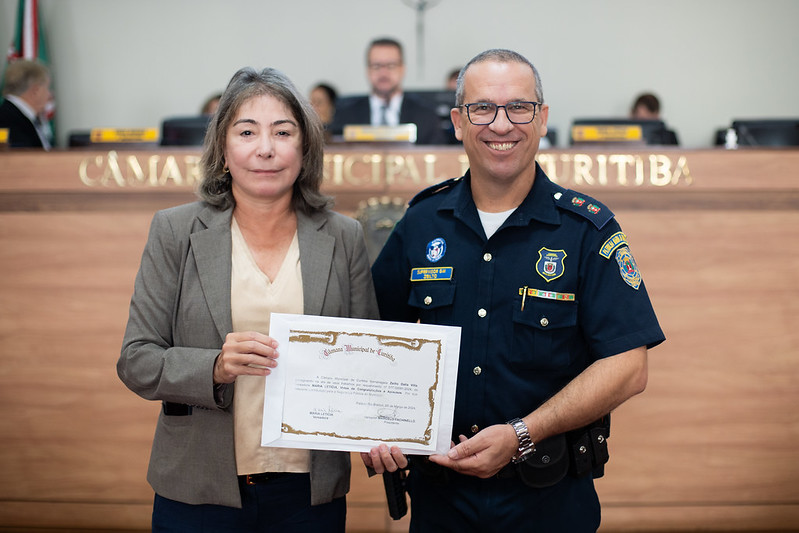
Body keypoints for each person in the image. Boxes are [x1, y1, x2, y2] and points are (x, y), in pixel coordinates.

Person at [364, 49, 665, 532]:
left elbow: (628, 367)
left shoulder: (586, 230)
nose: (501, 125)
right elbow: (368, 338)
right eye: (482, 108)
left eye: (518, 107)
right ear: (458, 122)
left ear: (542, 119)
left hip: (549, 500)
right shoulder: (421, 223)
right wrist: (376, 426)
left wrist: (523, 435)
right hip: (441, 499)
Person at [117, 66, 379, 532]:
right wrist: (214, 366)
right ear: (223, 149)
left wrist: (382, 426)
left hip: (308, 494)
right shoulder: (176, 232)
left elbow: (366, 364)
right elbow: (137, 360)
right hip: (199, 489)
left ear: (305, 147)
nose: (265, 148)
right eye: (246, 131)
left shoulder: (344, 237)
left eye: (283, 131)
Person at [330, 37, 445, 145]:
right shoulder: (345, 115)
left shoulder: (426, 115)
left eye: (391, 65)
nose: (383, 73)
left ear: (402, 69)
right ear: (367, 70)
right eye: (376, 66)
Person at [0, 59, 53, 149]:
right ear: (36, 91)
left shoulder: (16, 116)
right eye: (47, 88)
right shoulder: (6, 120)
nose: (49, 95)